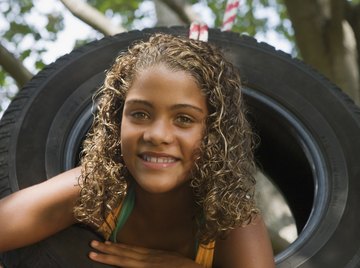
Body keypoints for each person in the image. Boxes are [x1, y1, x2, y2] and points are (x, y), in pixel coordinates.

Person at [0, 33, 275, 267]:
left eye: (184, 119)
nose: (157, 135)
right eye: (140, 114)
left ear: (213, 132)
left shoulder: (233, 222)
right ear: (117, 119)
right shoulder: (98, 188)